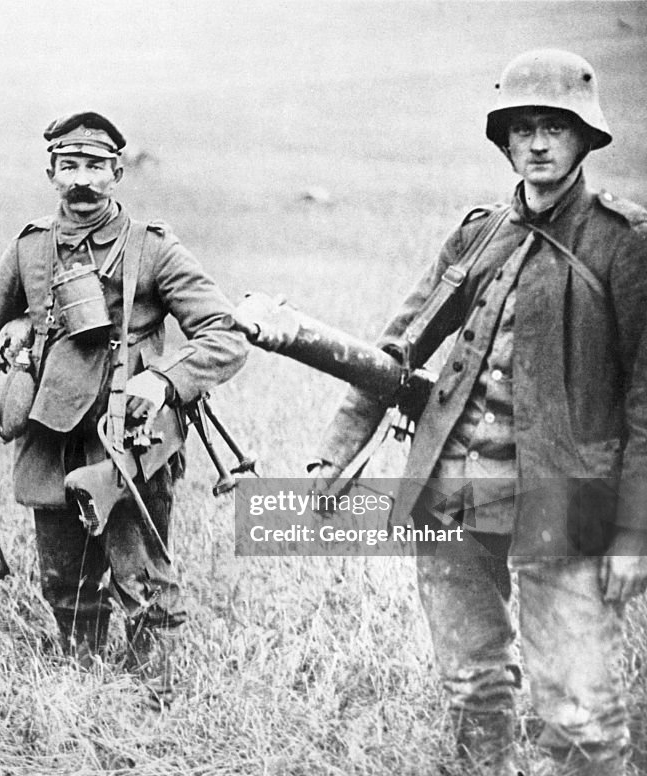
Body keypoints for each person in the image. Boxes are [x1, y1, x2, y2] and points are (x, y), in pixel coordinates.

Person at [308, 50, 647, 775]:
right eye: (522, 128)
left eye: (556, 127)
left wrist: (633, 531)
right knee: (471, 686)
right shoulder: (478, 236)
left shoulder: (625, 244)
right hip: (449, 493)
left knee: (579, 712)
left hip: (566, 503)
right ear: (504, 141)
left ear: (587, 137)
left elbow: (646, 405)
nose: (539, 144)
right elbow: (393, 351)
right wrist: (334, 455)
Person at [0, 111, 246, 704]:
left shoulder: (153, 249)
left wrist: (165, 380)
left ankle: (151, 700)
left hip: (129, 441)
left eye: (94, 167)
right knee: (64, 578)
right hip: (49, 433)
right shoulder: (30, 250)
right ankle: (79, 688)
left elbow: (225, 333)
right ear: (51, 173)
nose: (81, 180)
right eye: (69, 167)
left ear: (116, 174)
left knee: (141, 574)